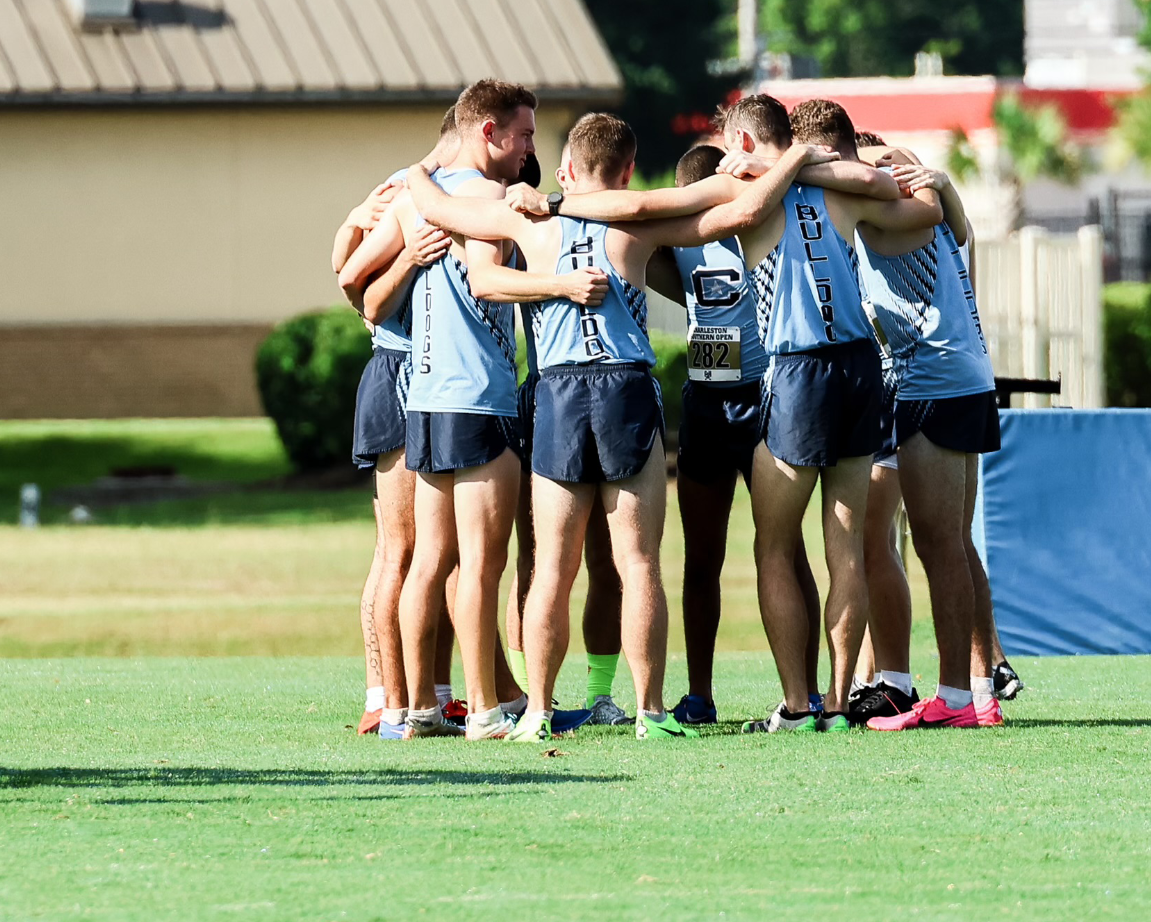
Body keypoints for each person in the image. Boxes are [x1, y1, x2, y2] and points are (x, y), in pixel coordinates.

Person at [408, 113, 825, 740]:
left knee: (551, 564)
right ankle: (650, 713)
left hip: (558, 390)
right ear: (627, 171)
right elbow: (736, 214)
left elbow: (441, 212)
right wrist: (790, 160)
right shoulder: (638, 223)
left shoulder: (527, 221)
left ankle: (541, 713)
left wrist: (419, 169)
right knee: (638, 563)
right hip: (624, 388)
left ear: (568, 169)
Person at [361, 80, 582, 739]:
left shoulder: (412, 196)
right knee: (483, 566)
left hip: (423, 398)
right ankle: (486, 709)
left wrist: (418, 174)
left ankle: (410, 709)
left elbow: (362, 292)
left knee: (429, 561)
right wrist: (560, 282)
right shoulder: (488, 201)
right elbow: (489, 277)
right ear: (487, 130)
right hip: (476, 398)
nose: (529, 150)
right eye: (524, 135)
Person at [786, 99, 1006, 730]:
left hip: (934, 383)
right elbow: (950, 220)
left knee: (938, 547)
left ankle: (955, 698)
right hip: (961, 377)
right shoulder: (900, 177)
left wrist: (800, 168)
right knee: (953, 545)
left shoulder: (885, 198)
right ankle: (980, 692)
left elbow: (931, 208)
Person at [644, 145, 821, 727]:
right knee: (774, 552)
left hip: (750, 399)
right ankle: (803, 692)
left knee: (749, 554)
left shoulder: (746, 225)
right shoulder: (721, 227)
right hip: (730, 397)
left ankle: (707, 695)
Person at [333, 110, 460, 737]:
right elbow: (348, 271)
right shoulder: (411, 189)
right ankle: (384, 697)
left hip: (435, 379)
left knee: (440, 554)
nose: (525, 153)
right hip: (401, 373)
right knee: (402, 550)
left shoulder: (451, 191)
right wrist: (399, 257)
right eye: (521, 138)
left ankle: (432, 692)